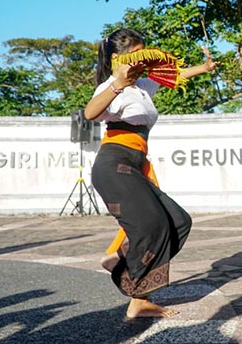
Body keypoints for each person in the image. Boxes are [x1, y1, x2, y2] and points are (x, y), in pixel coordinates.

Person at [85, 28, 216, 318]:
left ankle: (131, 281)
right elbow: (90, 112)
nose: (142, 59)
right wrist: (117, 84)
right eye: (136, 54)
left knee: (178, 222)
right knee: (152, 224)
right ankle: (131, 282)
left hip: (134, 164)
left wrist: (204, 68)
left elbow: (176, 77)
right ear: (117, 58)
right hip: (113, 165)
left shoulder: (142, 86)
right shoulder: (110, 87)